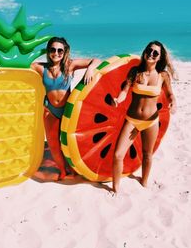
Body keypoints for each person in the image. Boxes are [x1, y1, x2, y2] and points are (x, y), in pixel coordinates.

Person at [111, 40, 177, 193]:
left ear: (160, 57)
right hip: (132, 121)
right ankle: (115, 189)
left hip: (151, 121)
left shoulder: (163, 75)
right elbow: (124, 91)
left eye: (156, 53)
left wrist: (173, 102)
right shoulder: (135, 72)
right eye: (149, 50)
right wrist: (118, 100)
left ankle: (144, 182)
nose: (151, 54)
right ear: (145, 52)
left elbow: (170, 94)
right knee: (118, 154)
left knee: (147, 154)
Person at [31, 36, 101, 180]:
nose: (56, 53)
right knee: (53, 144)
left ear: (64, 52)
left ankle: (72, 168)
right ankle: (62, 170)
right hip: (50, 111)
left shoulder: (70, 65)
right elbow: (20, 66)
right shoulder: (41, 68)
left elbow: (96, 60)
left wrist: (90, 69)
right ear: (48, 51)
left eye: (60, 50)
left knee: (70, 143)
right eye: (52, 50)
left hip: (68, 112)